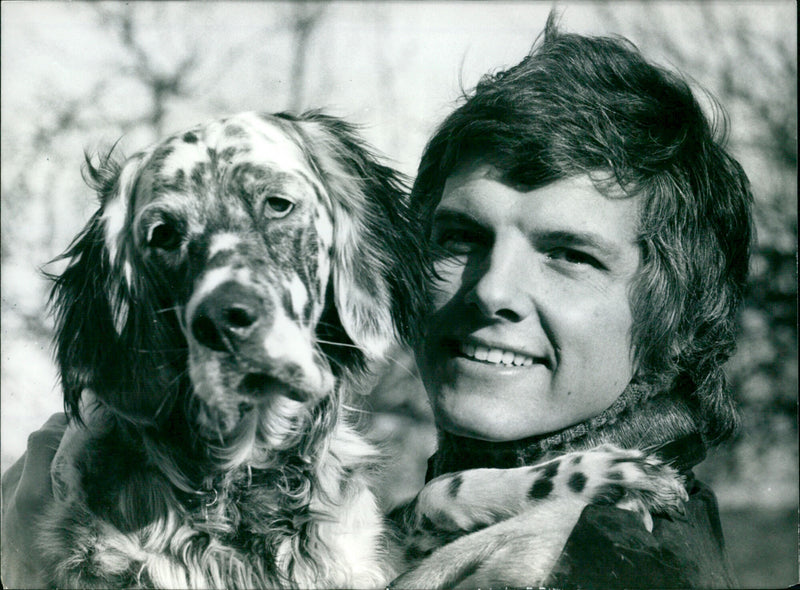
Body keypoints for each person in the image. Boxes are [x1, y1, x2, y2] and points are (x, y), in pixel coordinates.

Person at [2, 15, 752, 588]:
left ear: (679, 320)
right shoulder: (473, 518)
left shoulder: (590, 556)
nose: (492, 290)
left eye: (570, 255)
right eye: (459, 238)